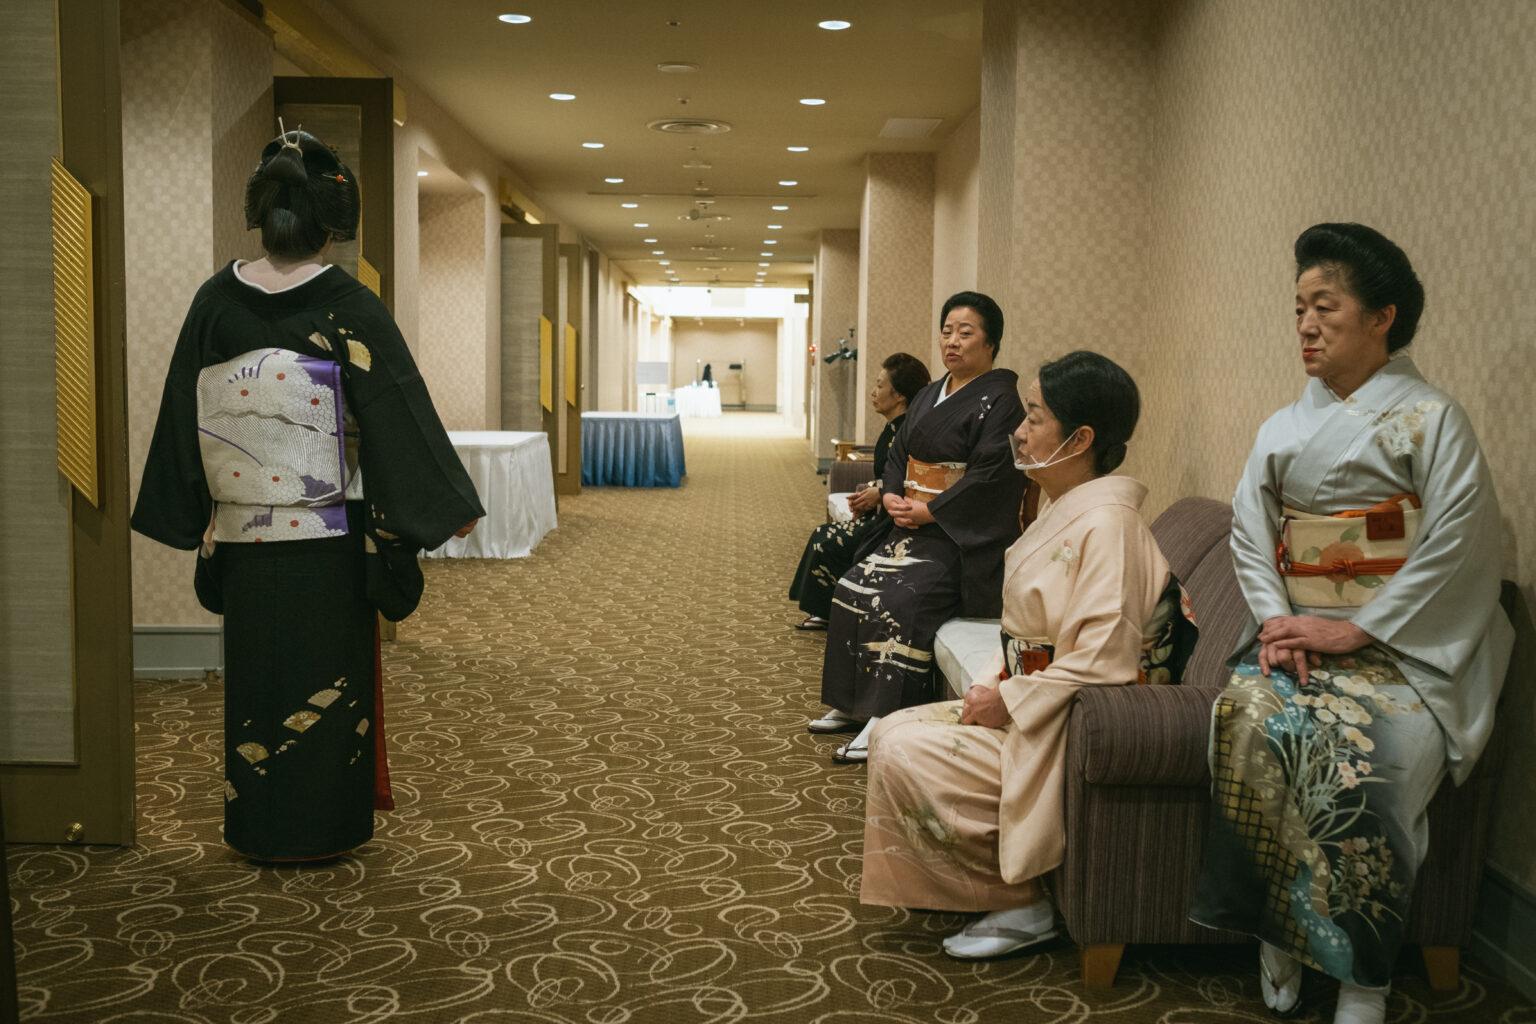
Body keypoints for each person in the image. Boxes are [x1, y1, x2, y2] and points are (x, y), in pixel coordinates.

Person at [132, 124, 484, 862]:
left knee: (257, 676)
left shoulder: (214, 302)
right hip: (327, 536)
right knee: (327, 678)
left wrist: (191, 509)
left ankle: (257, 823)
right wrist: (439, 505)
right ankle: (324, 826)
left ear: (262, 216)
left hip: (243, 536)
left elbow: (181, 409)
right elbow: (395, 407)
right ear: (332, 224)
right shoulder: (348, 304)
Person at [1189, 224, 1512, 1024]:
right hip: (1298, 635)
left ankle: (1365, 976)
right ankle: (1277, 930)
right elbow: (1249, 532)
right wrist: (1276, 622)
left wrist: (1359, 630)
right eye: (1298, 308)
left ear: (1382, 318)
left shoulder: (1433, 418)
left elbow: (1458, 543)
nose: (1304, 324)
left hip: (1405, 650)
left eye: (1323, 306)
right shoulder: (1282, 427)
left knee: (1378, 758)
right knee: (1247, 720)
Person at [859, 351, 1168, 960]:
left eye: (1033, 418)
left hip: (1072, 720)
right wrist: (1001, 678)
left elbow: (1104, 657)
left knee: (904, 748)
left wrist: (1008, 697)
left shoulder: (1109, 524)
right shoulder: (1068, 505)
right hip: (1039, 694)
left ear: (1081, 438)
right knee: (889, 734)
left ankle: (1020, 899)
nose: (1018, 432)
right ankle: (995, 888)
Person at [812, 292, 1026, 762]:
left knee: (900, 599)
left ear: (991, 342)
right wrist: (890, 493)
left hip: (957, 539)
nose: (951, 342)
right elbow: (897, 453)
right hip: (910, 525)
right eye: (946, 331)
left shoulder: (1003, 401)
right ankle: (851, 705)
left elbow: (993, 474)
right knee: (852, 585)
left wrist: (935, 511)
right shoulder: (931, 393)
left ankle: (886, 717)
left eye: (965, 333)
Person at [789, 352, 931, 631]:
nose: (873, 392)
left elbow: (910, 479)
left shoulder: (910, 432)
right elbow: (886, 475)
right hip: (879, 514)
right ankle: (825, 608)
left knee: (826, 540)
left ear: (900, 395)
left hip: (894, 523)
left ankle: (828, 611)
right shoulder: (892, 428)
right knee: (823, 534)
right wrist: (872, 490)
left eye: (880, 385)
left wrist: (878, 493)